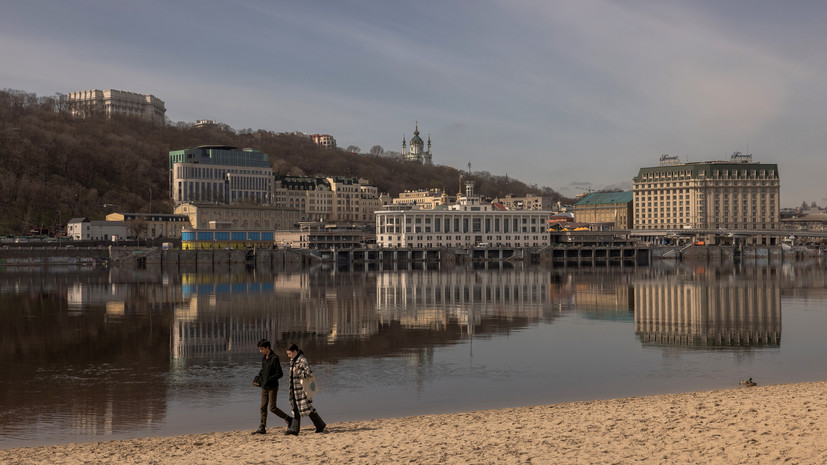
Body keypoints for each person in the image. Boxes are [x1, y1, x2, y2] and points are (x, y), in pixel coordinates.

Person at [251, 339, 291, 434]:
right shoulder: (264, 358)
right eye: (259, 349)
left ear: (267, 348)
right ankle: (262, 427)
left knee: (272, 408)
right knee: (263, 407)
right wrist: (259, 378)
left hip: (273, 386)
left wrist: (269, 379)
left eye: (261, 349)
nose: (260, 351)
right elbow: (263, 370)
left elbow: (280, 374)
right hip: (264, 386)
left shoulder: (275, 358)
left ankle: (289, 419)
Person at [284, 343, 326, 435]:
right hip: (294, 389)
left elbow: (309, 374)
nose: (288, 356)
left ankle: (319, 425)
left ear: (295, 352)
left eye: (289, 353)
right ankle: (296, 429)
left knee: (307, 408)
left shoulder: (302, 360)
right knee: (296, 408)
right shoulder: (293, 360)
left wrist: (298, 371)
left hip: (302, 389)